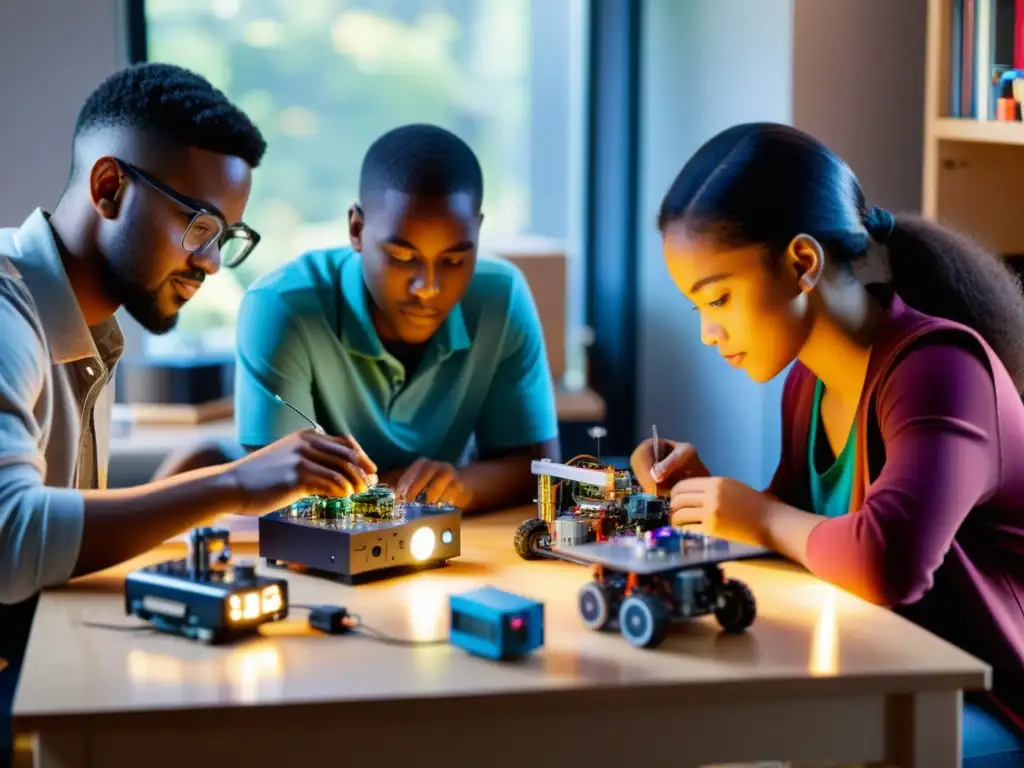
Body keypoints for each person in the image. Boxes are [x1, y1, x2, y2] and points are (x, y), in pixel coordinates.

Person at [0, 62, 376, 756]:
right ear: (108, 188)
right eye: (198, 225)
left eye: (226, 236)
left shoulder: (88, 330)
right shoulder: (6, 317)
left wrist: (188, 486)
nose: (209, 263)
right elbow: (10, 538)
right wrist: (233, 484)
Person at [630, 122, 1024, 764]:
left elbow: (885, 563)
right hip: (890, 671)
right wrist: (708, 496)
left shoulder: (941, 370)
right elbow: (802, 541)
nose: (708, 332)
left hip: (988, 698)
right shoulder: (807, 384)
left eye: (719, 298)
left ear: (803, 263)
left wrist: (755, 515)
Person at [234, 123, 560, 512]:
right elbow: (277, 493)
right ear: (356, 229)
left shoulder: (501, 297)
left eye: (454, 260)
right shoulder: (280, 306)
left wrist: (462, 485)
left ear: (478, 232)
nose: (428, 287)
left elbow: (539, 471)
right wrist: (407, 491)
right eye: (403, 258)